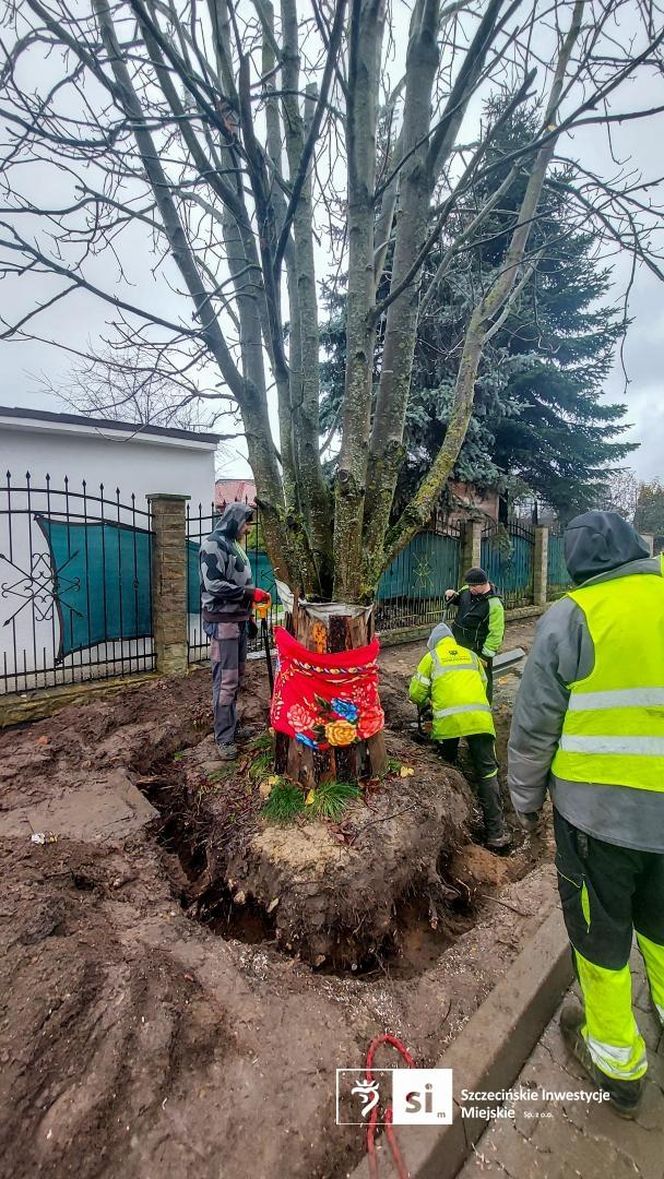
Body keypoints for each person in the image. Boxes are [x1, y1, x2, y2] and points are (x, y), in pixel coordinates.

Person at [508, 511, 664, 1118]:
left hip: (598, 819)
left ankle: (618, 1064)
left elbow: (534, 724)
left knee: (601, 937)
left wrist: (524, 803)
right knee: (660, 922)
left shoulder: (572, 617)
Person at [409, 622, 510, 852]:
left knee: (447, 763)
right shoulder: (472, 656)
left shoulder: (431, 658)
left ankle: (456, 817)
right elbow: (483, 685)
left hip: (448, 725)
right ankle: (497, 833)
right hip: (480, 720)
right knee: (487, 773)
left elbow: (415, 694)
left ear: (432, 643)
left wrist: (430, 702)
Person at [199, 502, 270, 759]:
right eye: (246, 523)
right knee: (226, 681)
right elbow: (214, 584)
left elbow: (239, 578)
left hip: (237, 620)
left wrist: (248, 616)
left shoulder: (234, 545)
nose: (248, 529)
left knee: (236, 677)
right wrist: (250, 593)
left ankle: (230, 728)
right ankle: (224, 738)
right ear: (234, 520)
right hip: (223, 624)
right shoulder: (213, 545)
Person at [444, 568, 504, 702]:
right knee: (461, 676)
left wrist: (485, 655)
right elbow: (459, 599)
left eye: (474, 586)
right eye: (469, 585)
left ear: (484, 584)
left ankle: (485, 706)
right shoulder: (466, 590)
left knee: (483, 680)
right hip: (459, 645)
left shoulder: (494, 605)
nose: (471, 588)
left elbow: (496, 633)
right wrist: (451, 595)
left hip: (478, 650)